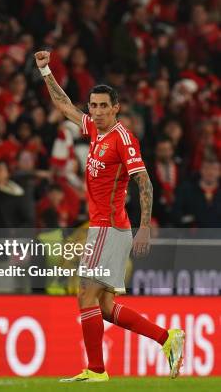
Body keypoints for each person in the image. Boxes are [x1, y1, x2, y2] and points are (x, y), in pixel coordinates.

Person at [35, 50, 184, 382]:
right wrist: (45, 70)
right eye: (94, 105)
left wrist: (145, 227)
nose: (97, 111)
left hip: (109, 226)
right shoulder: (93, 129)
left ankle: (96, 370)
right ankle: (166, 339)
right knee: (101, 306)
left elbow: (143, 182)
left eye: (104, 105)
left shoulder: (122, 139)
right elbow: (64, 106)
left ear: (116, 108)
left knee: (84, 293)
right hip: (103, 228)